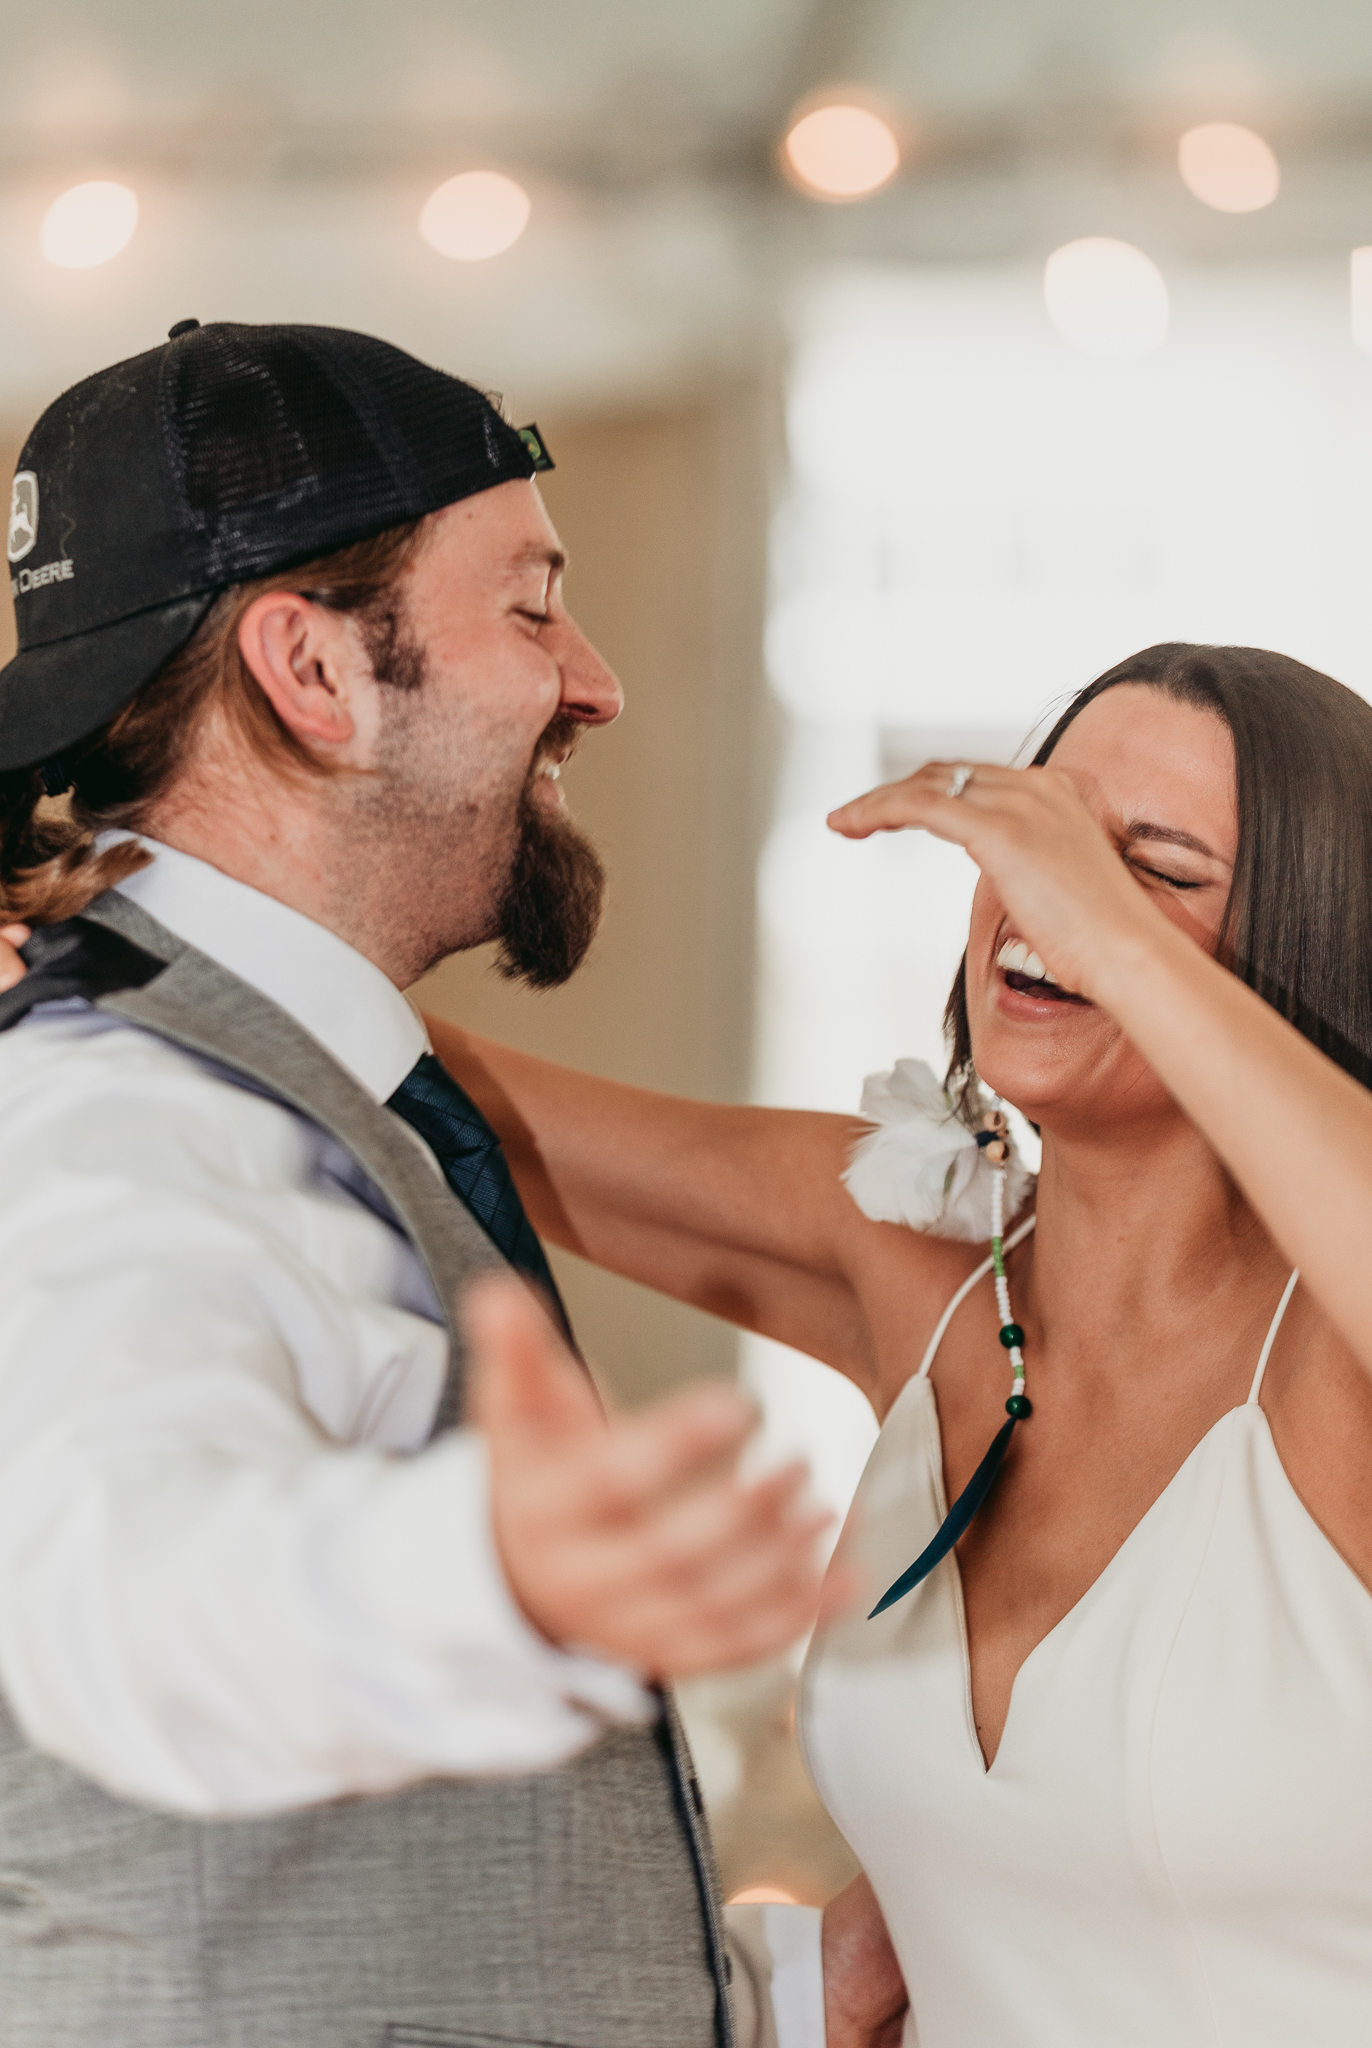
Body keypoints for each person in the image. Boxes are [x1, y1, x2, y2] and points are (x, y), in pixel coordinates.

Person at [0, 323, 906, 2048]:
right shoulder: (115, 1113)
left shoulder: (298, 1074)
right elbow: (123, 1592)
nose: (598, 680)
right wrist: (486, 1576)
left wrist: (768, 2000)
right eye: (533, 603)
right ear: (315, 675)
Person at [292, 638, 1372, 2045]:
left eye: (1154, 871)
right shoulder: (912, 1266)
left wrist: (1091, 913)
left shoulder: (1331, 1361)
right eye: (1034, 831)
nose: (1040, 901)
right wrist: (107, 928)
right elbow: (415, 1094)